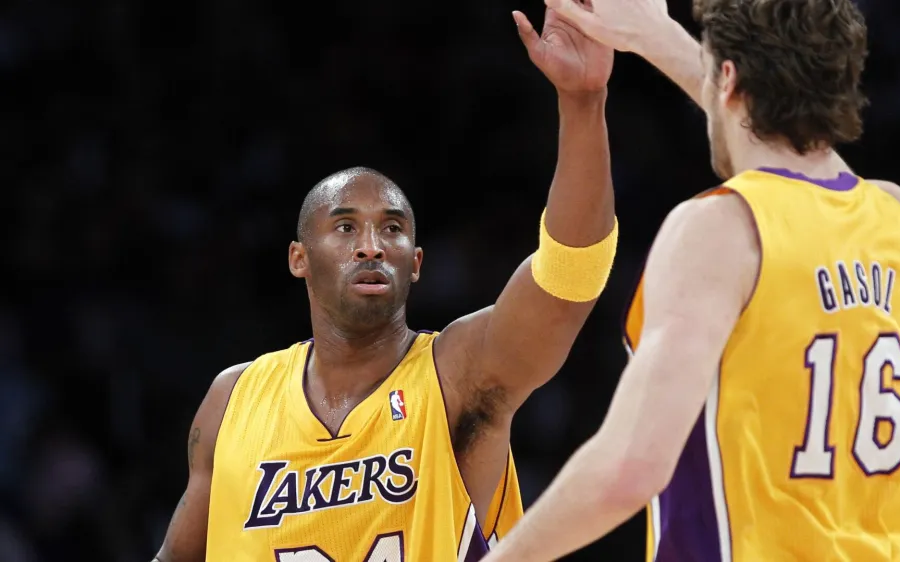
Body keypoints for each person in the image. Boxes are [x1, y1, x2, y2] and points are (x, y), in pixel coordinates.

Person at [151, 8, 617, 562]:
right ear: (299, 258)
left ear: (415, 262)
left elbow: (568, 280)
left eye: (391, 229)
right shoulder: (232, 401)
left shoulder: (459, 373)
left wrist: (583, 102)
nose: (371, 244)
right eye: (345, 226)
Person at [483, 0, 900, 560]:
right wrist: (658, 37)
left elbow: (630, 467)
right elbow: (796, 150)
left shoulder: (722, 229)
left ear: (725, 78)